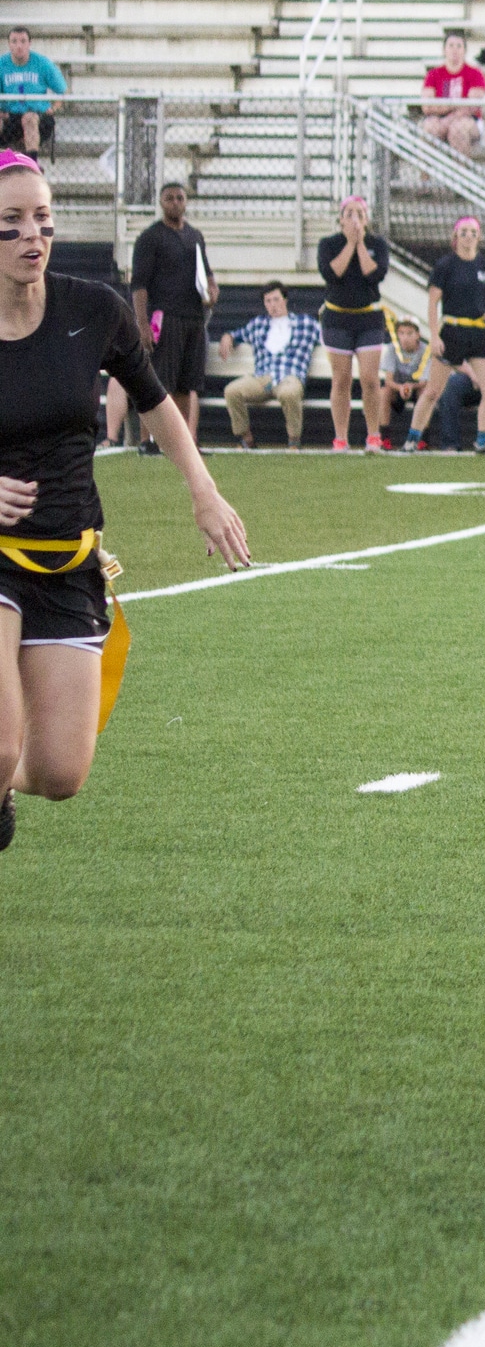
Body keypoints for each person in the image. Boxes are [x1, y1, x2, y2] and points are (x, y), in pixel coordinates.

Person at [0, 151, 250, 852]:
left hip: (70, 555)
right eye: (12, 222)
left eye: (42, 219)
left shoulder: (93, 309)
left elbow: (155, 402)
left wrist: (203, 490)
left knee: (58, 771)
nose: (32, 236)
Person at [127, 181, 217, 443]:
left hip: (193, 318)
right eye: (169, 198)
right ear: (161, 202)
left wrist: (212, 290)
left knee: (186, 385)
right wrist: (142, 324)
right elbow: (139, 285)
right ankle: (147, 440)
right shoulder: (150, 238)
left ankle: (180, 441)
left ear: (186, 201)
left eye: (180, 198)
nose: (175, 203)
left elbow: (207, 274)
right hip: (165, 318)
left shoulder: (195, 236)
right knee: (158, 382)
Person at [406, 216, 485, 453]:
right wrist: (435, 336)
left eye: (473, 232)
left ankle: (482, 440)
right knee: (433, 390)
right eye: (464, 232)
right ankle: (412, 439)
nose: (468, 236)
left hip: (478, 331)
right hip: (452, 330)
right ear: (455, 237)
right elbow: (432, 303)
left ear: (479, 237)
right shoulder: (446, 266)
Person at [316, 195, 392, 452]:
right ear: (340, 219)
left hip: (369, 318)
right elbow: (332, 273)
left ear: (367, 219)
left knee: (370, 379)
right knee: (341, 379)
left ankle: (373, 436)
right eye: (349, 213)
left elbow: (375, 274)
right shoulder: (328, 244)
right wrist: (350, 243)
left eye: (360, 213)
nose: (354, 218)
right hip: (337, 318)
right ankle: (340, 438)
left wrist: (360, 245)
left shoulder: (377, 244)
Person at [217, 280, 317, 449]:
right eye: (268, 301)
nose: (273, 305)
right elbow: (237, 334)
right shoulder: (258, 324)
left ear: (285, 300)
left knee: (289, 393)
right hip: (263, 378)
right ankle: (246, 439)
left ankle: (294, 442)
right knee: (232, 391)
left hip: (289, 376)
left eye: (276, 299)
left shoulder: (305, 323)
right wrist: (228, 337)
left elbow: (328, 338)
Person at [419, 34, 485, 158]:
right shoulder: (433, 74)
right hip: (438, 119)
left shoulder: (475, 73)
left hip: (468, 120)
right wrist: (456, 104)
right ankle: (428, 176)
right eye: (451, 45)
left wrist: (446, 115)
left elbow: (471, 107)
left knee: (458, 129)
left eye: (459, 46)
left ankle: (460, 173)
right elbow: (427, 107)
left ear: (465, 51)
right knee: (430, 127)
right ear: (444, 50)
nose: (454, 50)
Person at [2, 28, 65, 158]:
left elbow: (62, 91)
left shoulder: (42, 63)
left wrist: (53, 109)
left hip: (38, 116)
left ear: (30, 43)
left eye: (23, 41)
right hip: (11, 116)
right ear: (9, 44)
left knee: (29, 118)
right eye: (14, 41)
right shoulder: (2, 64)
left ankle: (32, 163)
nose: (19, 46)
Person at [376, 318, 431, 440]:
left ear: (418, 335)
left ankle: (422, 438)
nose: (405, 338)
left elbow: (424, 381)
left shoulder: (426, 350)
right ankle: (385, 437)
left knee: (425, 393)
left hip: (417, 389)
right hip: (397, 390)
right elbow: (388, 380)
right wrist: (401, 387)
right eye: (401, 333)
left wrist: (410, 386)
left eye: (409, 333)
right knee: (383, 393)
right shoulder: (392, 348)